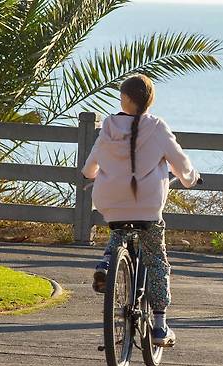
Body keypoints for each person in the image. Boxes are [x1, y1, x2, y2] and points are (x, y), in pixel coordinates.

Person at [82, 74, 200, 346]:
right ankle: (159, 326)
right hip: (147, 205)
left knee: (118, 230)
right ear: (149, 101)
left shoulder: (109, 127)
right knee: (156, 259)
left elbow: (90, 168)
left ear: (124, 99)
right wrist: (190, 178)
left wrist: (91, 174)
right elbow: (181, 164)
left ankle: (107, 262)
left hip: (110, 201)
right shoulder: (157, 127)